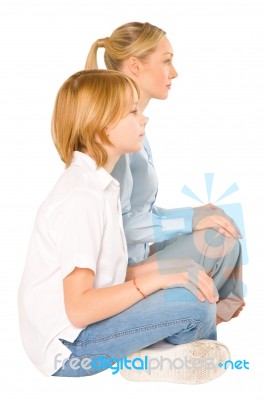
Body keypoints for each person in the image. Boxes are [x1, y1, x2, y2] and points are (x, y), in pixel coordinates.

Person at [18, 69, 229, 384]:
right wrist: (157, 283)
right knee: (194, 308)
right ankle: (146, 357)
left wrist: (173, 271)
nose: (143, 119)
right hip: (70, 349)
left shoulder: (101, 185)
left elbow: (109, 275)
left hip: (86, 328)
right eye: (132, 112)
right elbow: (78, 309)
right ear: (101, 127)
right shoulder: (82, 197)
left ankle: (152, 351)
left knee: (187, 284)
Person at [85, 22, 245, 326]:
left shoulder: (135, 127)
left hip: (139, 253)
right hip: (124, 271)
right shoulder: (117, 134)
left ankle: (217, 310)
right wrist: (191, 221)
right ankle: (206, 314)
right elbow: (121, 227)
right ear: (135, 65)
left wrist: (196, 212)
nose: (174, 72)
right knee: (219, 238)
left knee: (220, 217)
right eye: (167, 60)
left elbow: (140, 210)